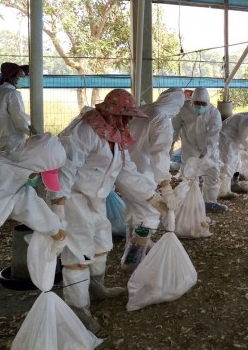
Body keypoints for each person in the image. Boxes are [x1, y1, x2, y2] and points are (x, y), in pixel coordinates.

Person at [47, 89, 172, 332]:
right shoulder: (85, 130)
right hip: (74, 198)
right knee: (78, 254)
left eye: (128, 116)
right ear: (109, 112)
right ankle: (77, 308)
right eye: (123, 115)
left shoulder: (115, 134)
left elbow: (126, 171)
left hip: (97, 198)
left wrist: (152, 196)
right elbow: (66, 168)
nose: (127, 121)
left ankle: (96, 288)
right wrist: (58, 205)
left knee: (102, 243)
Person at [0, 133, 66, 247]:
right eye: (40, 175)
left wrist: (55, 230)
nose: (39, 180)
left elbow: (29, 206)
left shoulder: (15, 180)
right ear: (33, 167)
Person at [128, 88, 185, 227]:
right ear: (177, 105)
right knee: (148, 214)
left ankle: (135, 244)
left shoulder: (143, 108)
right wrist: (165, 185)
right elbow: (160, 152)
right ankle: (139, 248)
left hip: (126, 166)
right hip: (143, 169)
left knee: (133, 210)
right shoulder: (161, 118)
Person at [172, 87, 226, 213]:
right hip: (189, 147)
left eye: (203, 104)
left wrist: (206, 153)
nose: (200, 106)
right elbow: (174, 126)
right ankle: (191, 202)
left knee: (212, 172)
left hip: (209, 149)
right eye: (197, 103)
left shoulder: (214, 113)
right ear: (192, 101)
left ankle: (209, 202)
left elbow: (213, 135)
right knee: (190, 175)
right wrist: (171, 142)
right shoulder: (184, 109)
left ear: (208, 102)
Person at [0, 62, 33, 154]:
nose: (22, 79)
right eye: (20, 76)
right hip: (15, 142)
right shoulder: (12, 94)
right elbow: (19, 119)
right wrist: (34, 134)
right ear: (11, 76)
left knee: (4, 165)